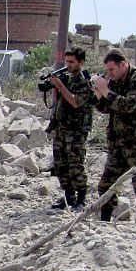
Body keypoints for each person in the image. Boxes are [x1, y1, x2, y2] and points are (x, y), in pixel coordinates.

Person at [91, 48, 136, 230]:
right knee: (106, 185)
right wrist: (98, 93)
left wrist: (106, 90)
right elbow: (106, 108)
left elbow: (128, 105)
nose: (109, 74)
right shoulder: (114, 81)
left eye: (112, 70)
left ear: (123, 64)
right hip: (118, 142)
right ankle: (104, 223)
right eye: (107, 71)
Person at [46, 47, 94, 211]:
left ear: (81, 62)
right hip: (62, 127)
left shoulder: (86, 82)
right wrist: (55, 87)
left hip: (76, 130)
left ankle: (80, 199)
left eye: (72, 62)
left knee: (76, 164)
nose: (69, 65)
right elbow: (60, 101)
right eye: (67, 61)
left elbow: (75, 102)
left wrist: (61, 86)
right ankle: (68, 196)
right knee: (61, 164)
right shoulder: (67, 79)